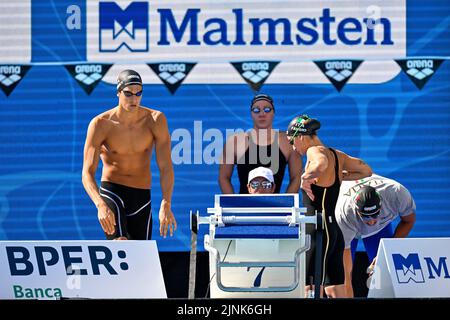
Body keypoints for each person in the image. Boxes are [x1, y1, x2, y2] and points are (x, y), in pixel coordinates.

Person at [82, 69, 176, 240]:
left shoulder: (155, 120)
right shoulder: (101, 124)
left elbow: (166, 167)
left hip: (141, 197)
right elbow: (87, 173)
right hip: (112, 192)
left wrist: (166, 203)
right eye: (128, 93)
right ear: (118, 93)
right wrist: (100, 204)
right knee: (121, 247)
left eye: (138, 93)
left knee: (141, 258)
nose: (134, 99)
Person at [286, 114, 372, 298]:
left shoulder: (314, 151)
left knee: (309, 289)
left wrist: (306, 176)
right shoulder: (337, 154)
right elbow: (366, 170)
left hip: (317, 233)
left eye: (292, 141)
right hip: (334, 232)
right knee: (335, 289)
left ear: (301, 136)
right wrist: (341, 176)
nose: (293, 148)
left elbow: (320, 163)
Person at [335, 175, 416, 297]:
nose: (372, 221)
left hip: (380, 228)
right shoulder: (345, 214)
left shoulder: (397, 193)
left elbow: (409, 221)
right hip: (349, 224)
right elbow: (346, 273)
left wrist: (384, 253)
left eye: (375, 214)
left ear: (381, 205)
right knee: (343, 276)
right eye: (366, 217)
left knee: (382, 272)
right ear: (356, 210)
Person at [219, 93, 302, 194]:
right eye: (256, 110)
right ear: (251, 114)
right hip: (243, 208)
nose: (262, 114)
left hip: (276, 208)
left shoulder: (288, 141)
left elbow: (296, 177)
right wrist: (234, 205)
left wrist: (285, 206)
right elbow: (224, 178)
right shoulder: (235, 142)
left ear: (273, 113)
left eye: (267, 109)